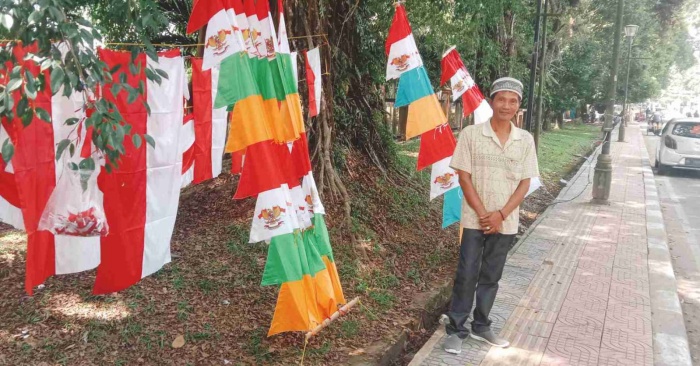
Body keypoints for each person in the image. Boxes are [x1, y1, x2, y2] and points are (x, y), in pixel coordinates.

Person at [442, 77, 540, 354]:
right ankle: (456, 329)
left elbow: (525, 182)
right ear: (491, 101)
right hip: (475, 219)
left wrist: (501, 215)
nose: (506, 105)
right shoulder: (472, 134)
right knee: (467, 272)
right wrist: (485, 214)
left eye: (513, 101)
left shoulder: (525, 140)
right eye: (501, 99)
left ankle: (481, 326)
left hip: (505, 222)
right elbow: (464, 176)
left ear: (518, 106)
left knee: (491, 276)